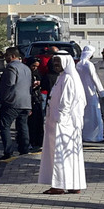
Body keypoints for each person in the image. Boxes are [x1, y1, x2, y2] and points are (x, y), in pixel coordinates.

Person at [39, 54, 87, 195]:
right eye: (54, 62)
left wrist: (59, 118)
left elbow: (66, 102)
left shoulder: (68, 78)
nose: (56, 65)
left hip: (63, 124)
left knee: (60, 154)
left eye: (58, 62)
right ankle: (72, 184)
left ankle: (59, 185)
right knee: (67, 155)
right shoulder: (62, 77)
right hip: (60, 122)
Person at [0, 46, 32, 160]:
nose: (5, 58)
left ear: (12, 56)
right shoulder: (26, 68)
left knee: (5, 126)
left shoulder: (11, 68)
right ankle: (24, 149)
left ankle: (8, 152)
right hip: (25, 102)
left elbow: (9, 84)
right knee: (23, 126)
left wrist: (3, 98)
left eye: (6, 55)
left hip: (12, 102)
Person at [75, 45, 104, 143]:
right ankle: (96, 136)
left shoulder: (78, 64)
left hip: (81, 93)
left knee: (84, 114)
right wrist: (101, 92)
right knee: (94, 114)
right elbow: (95, 78)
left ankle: (85, 135)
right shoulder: (89, 65)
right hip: (91, 93)